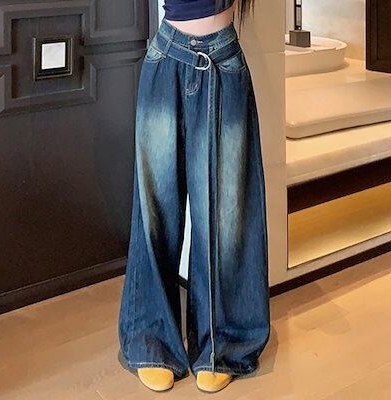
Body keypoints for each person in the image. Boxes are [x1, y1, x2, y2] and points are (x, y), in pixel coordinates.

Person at [117, 0, 270, 393]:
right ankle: (151, 340)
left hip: (223, 64)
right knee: (156, 213)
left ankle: (223, 344)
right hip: (166, 57)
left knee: (226, 218)